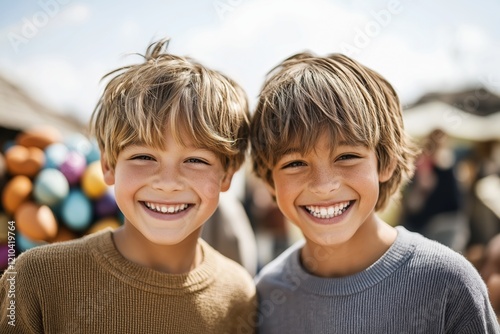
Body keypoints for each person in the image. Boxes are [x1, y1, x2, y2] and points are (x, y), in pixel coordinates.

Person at [0, 38, 256, 333]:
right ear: (108, 165)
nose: (168, 183)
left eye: (196, 160)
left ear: (227, 175)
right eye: (144, 156)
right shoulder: (35, 279)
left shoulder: (240, 295)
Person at [250, 52, 499, 333]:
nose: (323, 185)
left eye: (346, 156)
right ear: (270, 181)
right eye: (295, 163)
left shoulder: (448, 283)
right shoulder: (266, 294)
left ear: (385, 162)